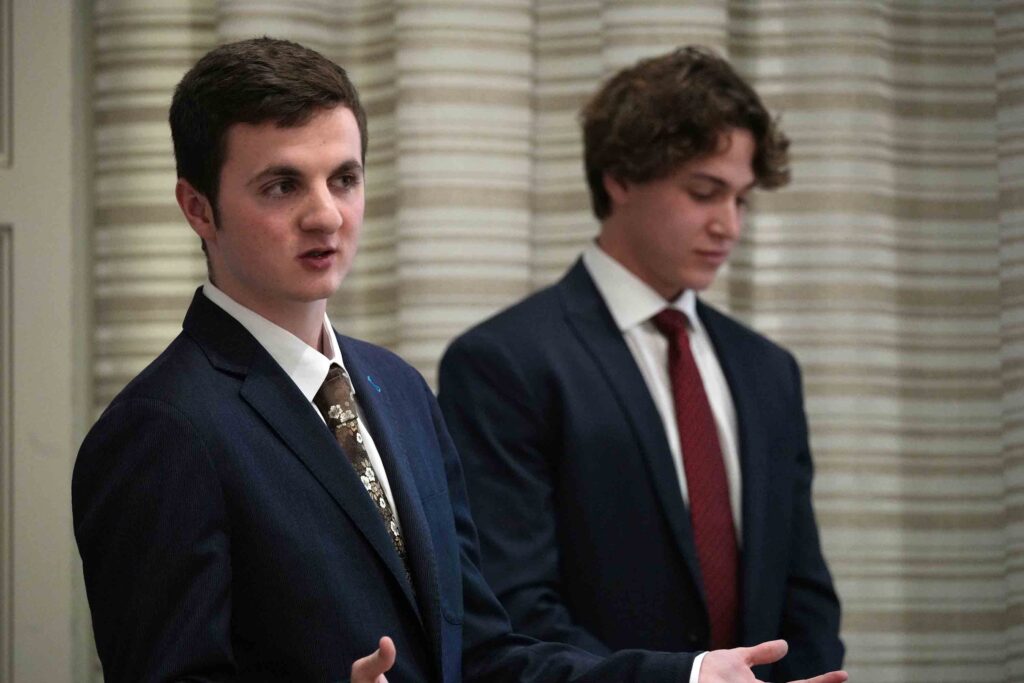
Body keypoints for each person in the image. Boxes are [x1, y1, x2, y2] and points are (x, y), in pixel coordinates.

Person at [73, 37, 847, 683]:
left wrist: (687, 675)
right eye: (281, 185)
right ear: (197, 208)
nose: (326, 213)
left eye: (344, 177)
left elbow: (483, 653)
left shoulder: (398, 388)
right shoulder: (162, 428)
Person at [438, 46, 845, 683]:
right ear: (620, 178)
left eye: (742, 199)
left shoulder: (769, 371)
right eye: (705, 192)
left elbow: (805, 592)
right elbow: (513, 607)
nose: (730, 225)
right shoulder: (504, 362)